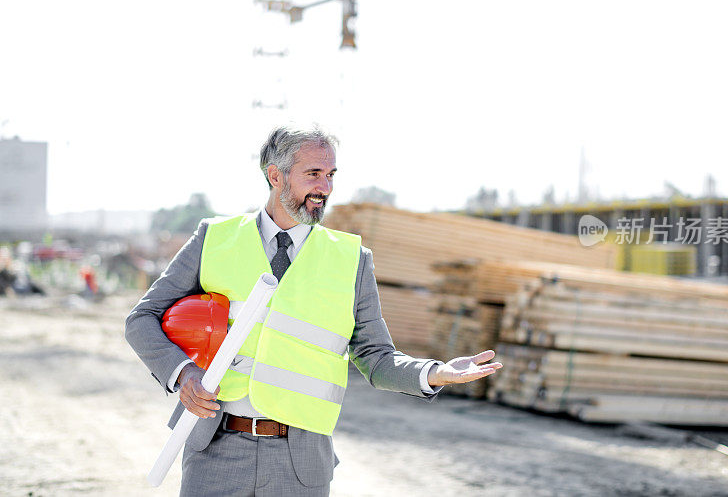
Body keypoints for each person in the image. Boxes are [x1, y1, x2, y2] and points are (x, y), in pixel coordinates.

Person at [125, 123, 502, 496]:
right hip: (216, 449)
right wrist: (183, 373)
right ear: (275, 175)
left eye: (331, 175)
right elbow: (142, 319)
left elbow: (376, 358)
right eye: (313, 174)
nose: (324, 188)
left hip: (299, 460)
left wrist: (436, 372)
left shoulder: (353, 260)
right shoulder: (215, 238)